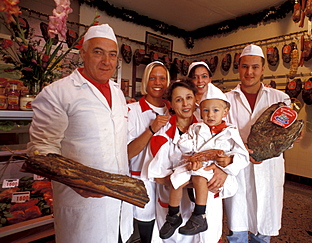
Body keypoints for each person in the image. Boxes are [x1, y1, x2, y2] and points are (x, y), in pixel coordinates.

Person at [27, 24, 133, 243]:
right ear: (83, 53)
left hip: (120, 205)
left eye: (112, 55)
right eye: (98, 52)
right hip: (81, 206)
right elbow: (41, 150)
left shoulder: (118, 93)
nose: (106, 61)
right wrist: (74, 181)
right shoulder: (58, 93)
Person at [147, 79, 238, 242]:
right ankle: (174, 217)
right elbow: (155, 175)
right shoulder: (162, 136)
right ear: (171, 105)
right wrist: (194, 178)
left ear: (196, 100)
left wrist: (224, 170)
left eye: (188, 97)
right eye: (178, 100)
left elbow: (232, 156)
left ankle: (199, 216)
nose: (185, 104)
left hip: (207, 204)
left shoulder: (212, 127)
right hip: (176, 205)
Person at [223, 44, 291, 243]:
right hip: (238, 169)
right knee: (238, 228)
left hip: (268, 169)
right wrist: (240, 148)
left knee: (263, 229)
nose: (249, 72)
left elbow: (286, 135)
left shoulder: (280, 98)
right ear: (239, 68)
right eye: (245, 67)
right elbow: (219, 135)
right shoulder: (226, 100)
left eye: (254, 67)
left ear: (262, 69)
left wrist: (294, 136)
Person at [127, 61, 171, 243]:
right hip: (141, 180)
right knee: (146, 229)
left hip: (168, 181)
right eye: (152, 78)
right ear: (145, 81)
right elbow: (127, 152)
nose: (157, 82)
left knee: (166, 229)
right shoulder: (132, 110)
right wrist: (151, 130)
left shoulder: (175, 108)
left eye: (162, 78)